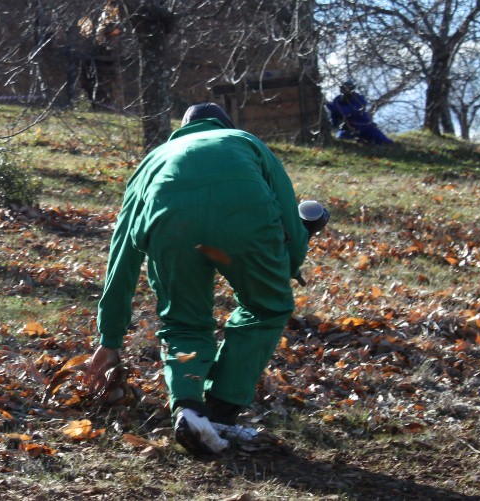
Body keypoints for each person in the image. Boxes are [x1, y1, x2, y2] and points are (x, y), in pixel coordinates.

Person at [85, 102, 311, 455]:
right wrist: (289, 267)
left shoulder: (155, 159)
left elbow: (122, 253)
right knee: (266, 308)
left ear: (183, 129)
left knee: (184, 323)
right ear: (225, 125)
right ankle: (220, 410)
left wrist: (110, 337)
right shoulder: (245, 141)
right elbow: (290, 218)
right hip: (244, 219)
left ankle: (190, 410)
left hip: (170, 225)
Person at [326, 80, 393, 145]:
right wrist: (335, 124)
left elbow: (349, 111)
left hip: (363, 125)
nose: (345, 90)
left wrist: (329, 105)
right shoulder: (337, 100)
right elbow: (334, 113)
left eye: (348, 88)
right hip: (347, 126)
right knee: (343, 140)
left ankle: (389, 145)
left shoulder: (359, 99)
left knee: (381, 140)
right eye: (344, 87)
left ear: (352, 89)